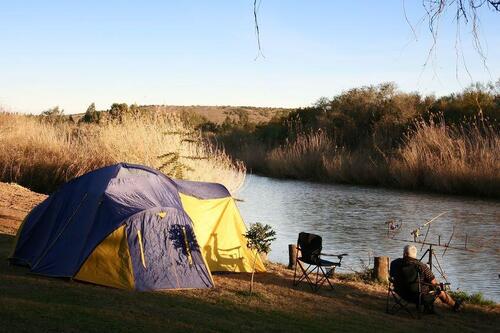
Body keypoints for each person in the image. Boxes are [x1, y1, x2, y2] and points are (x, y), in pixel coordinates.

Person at [390, 245, 463, 312]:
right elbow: (434, 283)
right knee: (438, 290)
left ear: (405, 254)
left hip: (401, 293)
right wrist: (440, 286)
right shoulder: (421, 266)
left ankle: (428, 308)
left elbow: (391, 276)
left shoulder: (395, 263)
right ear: (415, 254)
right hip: (418, 297)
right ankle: (455, 306)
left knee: (424, 285)